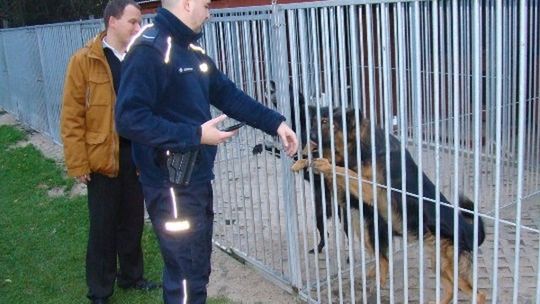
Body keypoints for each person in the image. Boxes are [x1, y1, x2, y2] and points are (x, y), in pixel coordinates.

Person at [114, 0, 298, 303]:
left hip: (196, 177)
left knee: (196, 267)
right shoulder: (151, 50)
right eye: (205, 3)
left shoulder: (192, 51)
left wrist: (276, 124)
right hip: (170, 185)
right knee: (185, 274)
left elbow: (227, 94)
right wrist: (196, 134)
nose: (209, 10)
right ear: (187, 4)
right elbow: (129, 119)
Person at [60, 1, 159, 303]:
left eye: (139, 22)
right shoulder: (84, 60)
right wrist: (78, 161)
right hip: (102, 159)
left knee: (131, 222)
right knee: (102, 228)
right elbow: (72, 116)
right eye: (132, 21)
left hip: (135, 157)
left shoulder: (140, 58)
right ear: (112, 22)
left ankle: (131, 276)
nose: (137, 28)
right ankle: (100, 290)